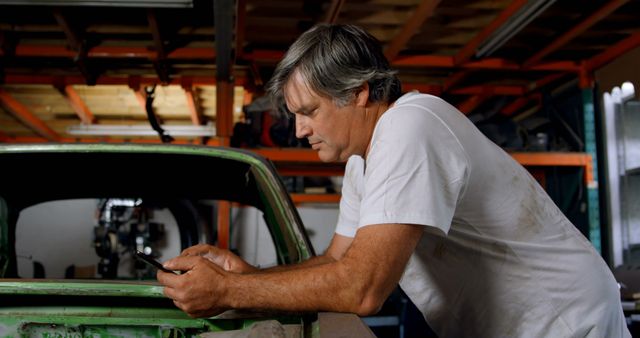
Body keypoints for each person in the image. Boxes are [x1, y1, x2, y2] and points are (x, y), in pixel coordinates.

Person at [157, 24, 630, 337]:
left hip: (564, 325)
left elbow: (361, 289)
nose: (300, 129)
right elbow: (336, 261)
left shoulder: (410, 126)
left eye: (309, 112)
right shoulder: (364, 161)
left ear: (359, 93)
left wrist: (228, 293)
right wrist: (247, 276)